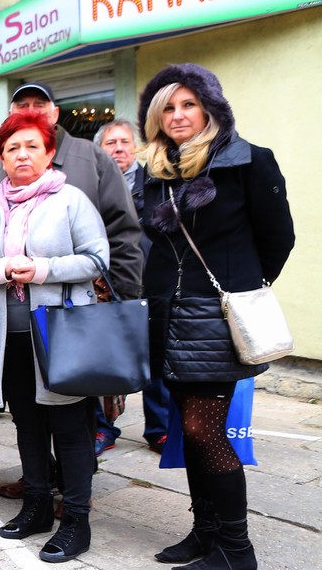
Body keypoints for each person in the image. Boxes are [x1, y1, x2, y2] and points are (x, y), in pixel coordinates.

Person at [139, 64, 293, 570]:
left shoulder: (249, 161)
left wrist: (238, 286)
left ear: (209, 107)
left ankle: (236, 549)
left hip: (216, 319)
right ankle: (206, 532)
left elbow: (278, 239)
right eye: (168, 106)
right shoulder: (157, 169)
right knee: (189, 427)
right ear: (155, 116)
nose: (178, 114)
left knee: (206, 430)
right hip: (168, 316)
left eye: (188, 104)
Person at [0, 111, 109, 563]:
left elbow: (98, 258)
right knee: (26, 423)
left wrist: (44, 269)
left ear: (49, 153)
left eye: (31, 147)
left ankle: (76, 520)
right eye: (12, 148)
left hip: (62, 332)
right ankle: (37, 504)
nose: (21, 155)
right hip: (7, 336)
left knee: (70, 428)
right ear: (1, 157)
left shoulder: (71, 200)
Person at [0, 83, 143, 498]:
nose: (22, 153)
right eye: (23, 105)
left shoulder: (89, 161)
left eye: (39, 104)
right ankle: (39, 484)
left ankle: (75, 492)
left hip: (73, 313)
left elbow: (120, 237)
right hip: (15, 320)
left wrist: (119, 299)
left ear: (54, 115)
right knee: (28, 416)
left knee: (73, 411)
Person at [93, 118, 171, 453]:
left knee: (156, 356)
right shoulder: (91, 185)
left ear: (135, 147)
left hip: (151, 282)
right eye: (111, 143)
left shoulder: (155, 183)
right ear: (100, 150)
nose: (119, 149)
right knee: (103, 358)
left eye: (125, 142)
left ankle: (159, 428)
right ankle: (103, 427)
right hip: (106, 285)